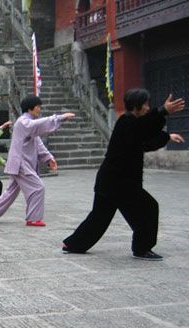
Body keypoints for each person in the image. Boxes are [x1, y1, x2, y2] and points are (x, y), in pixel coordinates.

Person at [62, 89, 185, 260]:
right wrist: (163, 111)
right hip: (119, 182)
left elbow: (145, 142)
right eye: (146, 104)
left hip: (112, 181)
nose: (148, 108)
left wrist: (167, 137)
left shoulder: (132, 125)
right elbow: (144, 129)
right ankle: (142, 248)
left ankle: (73, 244)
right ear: (136, 105)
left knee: (100, 217)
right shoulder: (126, 122)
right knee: (149, 208)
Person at [0, 95, 75, 226]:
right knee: (38, 187)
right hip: (21, 163)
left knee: (11, 191)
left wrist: (48, 158)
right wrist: (59, 117)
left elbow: (37, 142)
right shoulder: (24, 122)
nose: (39, 109)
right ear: (30, 108)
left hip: (19, 163)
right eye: (37, 107)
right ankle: (33, 218)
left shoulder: (28, 123)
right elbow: (38, 125)